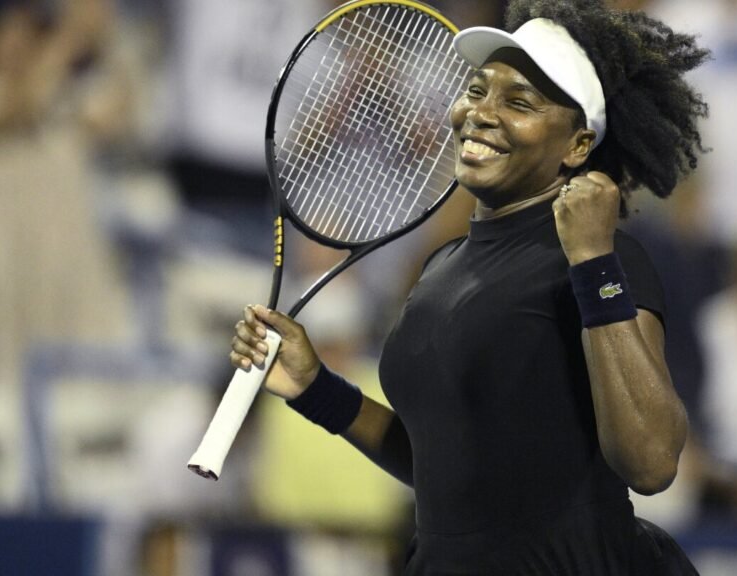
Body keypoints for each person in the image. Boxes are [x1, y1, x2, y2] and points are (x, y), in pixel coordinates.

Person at [231, 0, 708, 573]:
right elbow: (445, 470)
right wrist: (316, 389)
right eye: (477, 90)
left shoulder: (607, 260)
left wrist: (593, 263)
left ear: (577, 146)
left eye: (519, 102)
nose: (481, 113)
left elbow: (652, 461)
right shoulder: (440, 268)